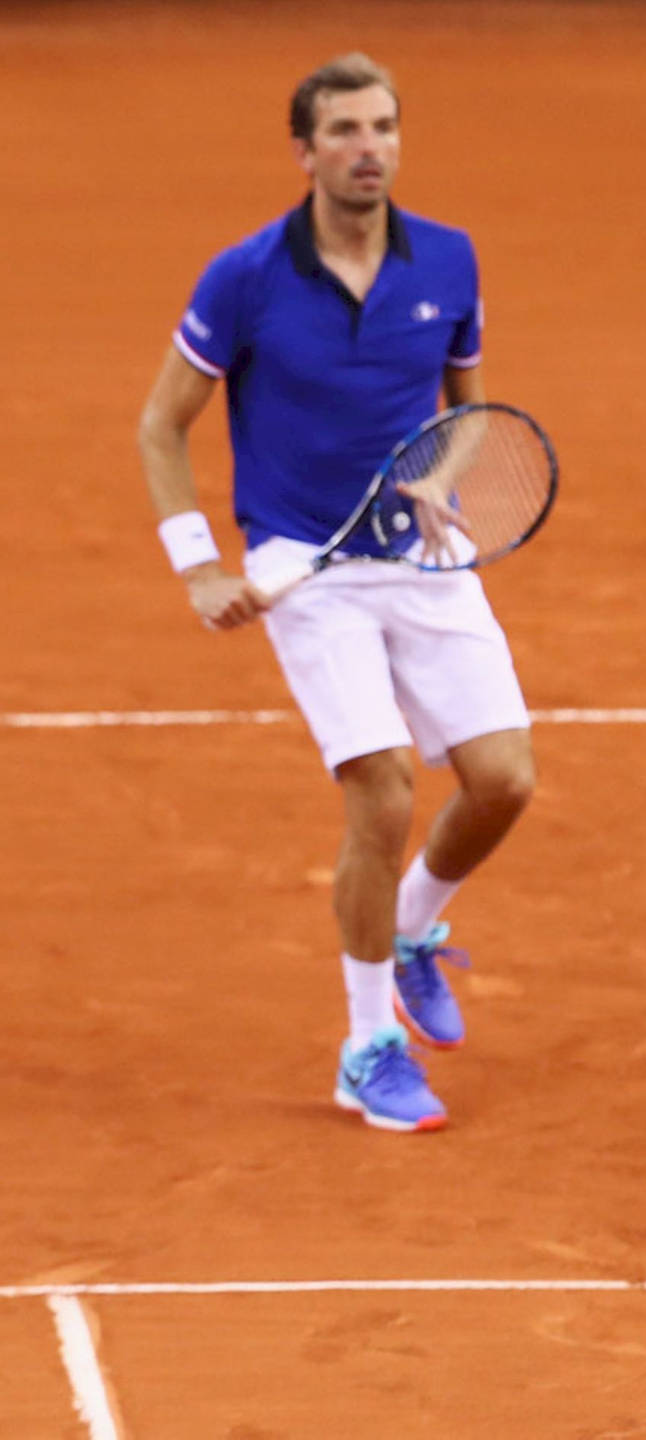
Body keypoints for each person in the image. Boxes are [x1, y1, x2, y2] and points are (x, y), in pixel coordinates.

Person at [136, 54, 535, 1133]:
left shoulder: (448, 261)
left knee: (503, 781)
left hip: (419, 555)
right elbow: (161, 423)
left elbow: (471, 404)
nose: (370, 148)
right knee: (387, 792)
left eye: (385, 128)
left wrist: (444, 480)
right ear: (305, 151)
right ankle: (368, 1048)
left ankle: (412, 930)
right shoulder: (246, 277)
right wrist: (201, 565)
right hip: (305, 567)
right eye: (347, 130)